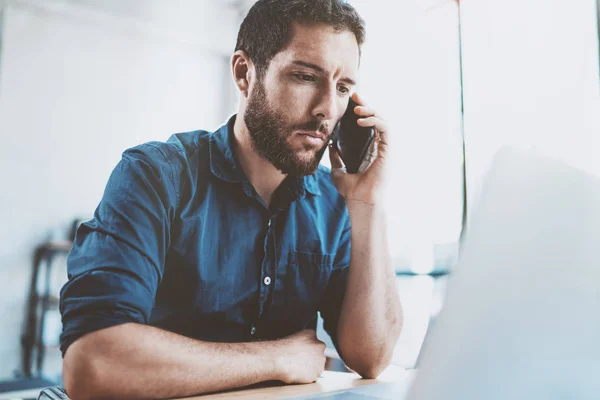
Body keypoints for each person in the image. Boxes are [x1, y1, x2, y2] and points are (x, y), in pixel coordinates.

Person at [59, 0, 403, 398]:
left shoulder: (333, 202)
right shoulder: (156, 176)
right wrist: (273, 358)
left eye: (343, 88)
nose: (327, 109)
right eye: (306, 77)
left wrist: (368, 204)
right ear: (244, 73)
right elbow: (94, 364)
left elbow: (372, 356)